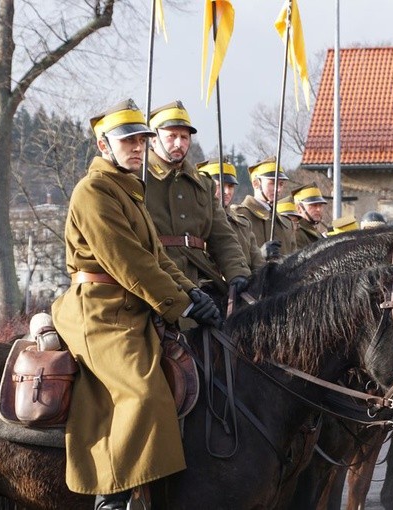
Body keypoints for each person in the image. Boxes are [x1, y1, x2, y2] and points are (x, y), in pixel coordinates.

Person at [51, 99, 222, 509]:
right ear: (103, 145)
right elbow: (127, 260)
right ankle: (112, 496)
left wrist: (193, 294)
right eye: (127, 140)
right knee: (142, 392)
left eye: (141, 139)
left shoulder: (129, 190)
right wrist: (179, 306)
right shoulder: (93, 191)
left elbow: (157, 258)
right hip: (100, 310)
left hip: (134, 303)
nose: (137, 147)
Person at [145, 100, 250, 296]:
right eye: (172, 136)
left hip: (200, 274)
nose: (179, 143)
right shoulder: (139, 178)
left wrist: (237, 272)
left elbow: (222, 236)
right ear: (153, 139)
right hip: (155, 276)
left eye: (185, 137)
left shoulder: (203, 184)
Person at [196, 158, 266, 271]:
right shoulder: (196, 221)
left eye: (231, 186)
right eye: (220, 186)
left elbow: (258, 265)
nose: (227, 192)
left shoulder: (243, 224)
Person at [231, 156, 297, 255]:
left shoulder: (287, 224)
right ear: (256, 183)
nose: (278, 189)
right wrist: (260, 255)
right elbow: (232, 256)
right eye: (272, 183)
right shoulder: (238, 216)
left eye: (281, 184)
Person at [291, 182, 327, 248]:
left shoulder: (313, 231)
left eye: (320, 205)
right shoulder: (296, 233)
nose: (318, 209)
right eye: (313, 205)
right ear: (299, 208)